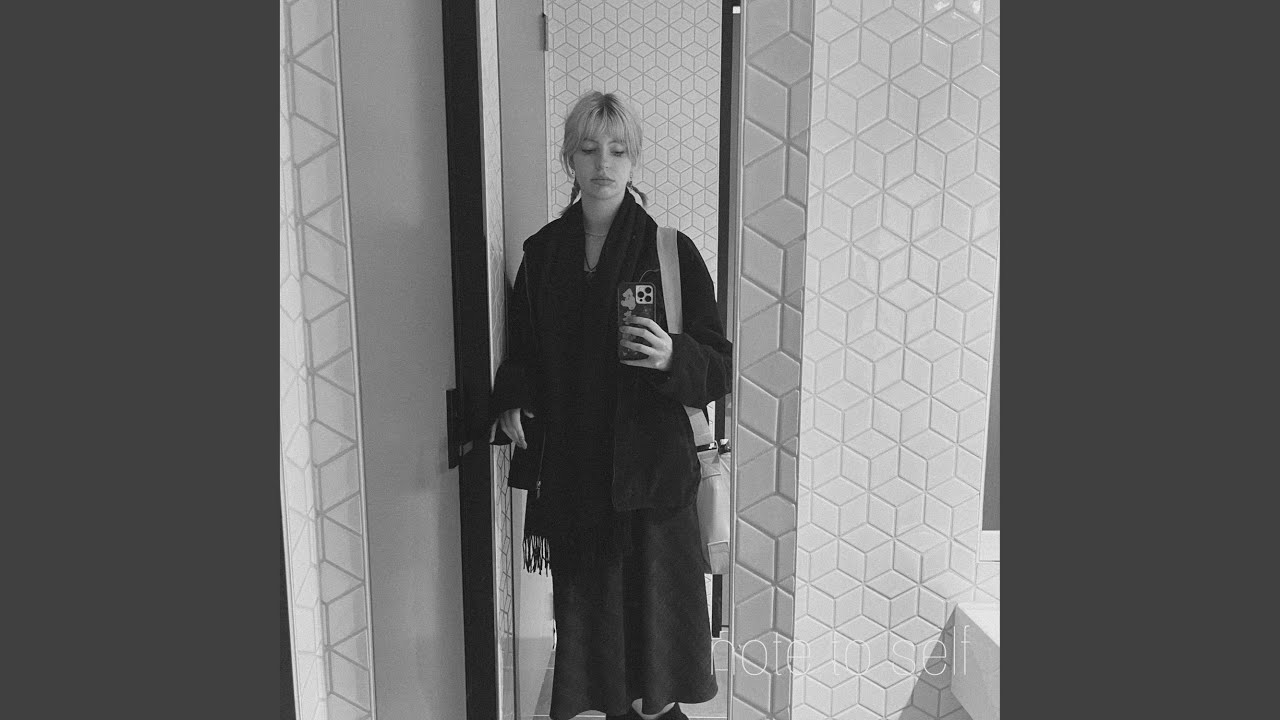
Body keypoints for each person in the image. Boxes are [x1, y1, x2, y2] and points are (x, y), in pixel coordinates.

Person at [488, 91, 733, 720]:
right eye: (590, 149)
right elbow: (525, 353)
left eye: (618, 150)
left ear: (634, 158)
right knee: (593, 639)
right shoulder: (543, 254)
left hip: (653, 481)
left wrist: (673, 355)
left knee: (656, 645)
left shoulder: (670, 251)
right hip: (578, 480)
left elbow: (720, 364)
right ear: (569, 159)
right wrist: (512, 399)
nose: (604, 163)